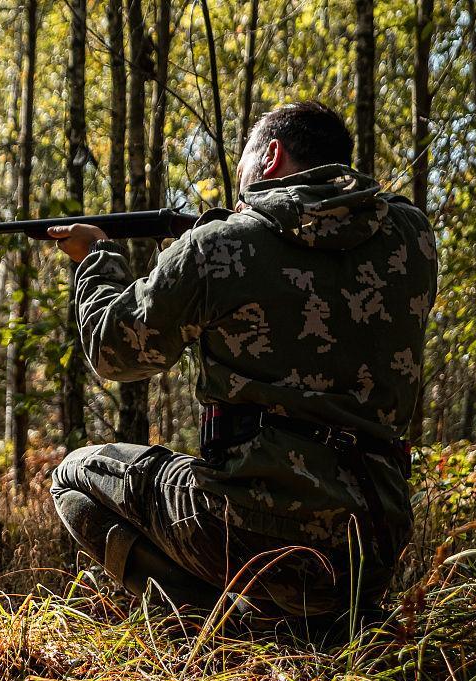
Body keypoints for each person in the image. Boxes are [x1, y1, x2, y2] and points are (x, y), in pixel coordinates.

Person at [46, 101, 438, 627]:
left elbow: (113, 352)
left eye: (244, 164)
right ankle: (321, 624)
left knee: (74, 475)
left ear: (271, 156)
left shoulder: (219, 247)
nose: (240, 188)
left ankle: (226, 626)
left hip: (249, 534)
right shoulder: (414, 238)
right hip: (374, 544)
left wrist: (98, 258)